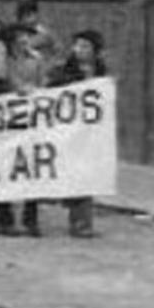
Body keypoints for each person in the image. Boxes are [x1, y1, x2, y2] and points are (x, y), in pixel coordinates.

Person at [49, 30, 106, 239]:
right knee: (75, 173)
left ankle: (83, 221)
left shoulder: (100, 71)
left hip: (91, 131)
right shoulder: (64, 70)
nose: (79, 50)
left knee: (89, 174)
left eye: (85, 46)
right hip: (70, 131)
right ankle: (78, 220)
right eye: (77, 45)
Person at [0, 23, 48, 237]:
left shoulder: (36, 58)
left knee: (32, 168)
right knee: (3, 167)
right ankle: (5, 219)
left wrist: (36, 91)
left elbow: (43, 83)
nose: (25, 40)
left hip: (31, 118)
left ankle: (30, 218)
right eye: (20, 36)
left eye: (27, 36)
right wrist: (2, 51)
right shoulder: (1, 58)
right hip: (6, 119)